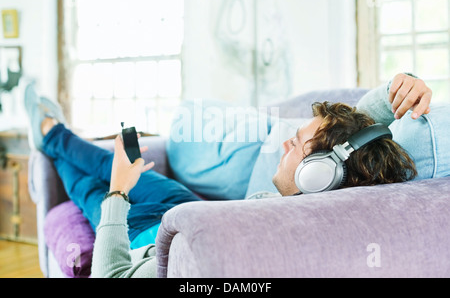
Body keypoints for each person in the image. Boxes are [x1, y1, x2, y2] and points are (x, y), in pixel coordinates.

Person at [23, 72, 439, 277]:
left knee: (88, 185)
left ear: (319, 174)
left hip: (145, 236)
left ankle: (48, 134)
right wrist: (393, 94)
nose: (283, 145)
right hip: (186, 209)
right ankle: (54, 134)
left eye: (295, 144)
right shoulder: (326, 205)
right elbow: (360, 134)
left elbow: (111, 276)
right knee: (108, 162)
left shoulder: (191, 263)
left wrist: (117, 195)